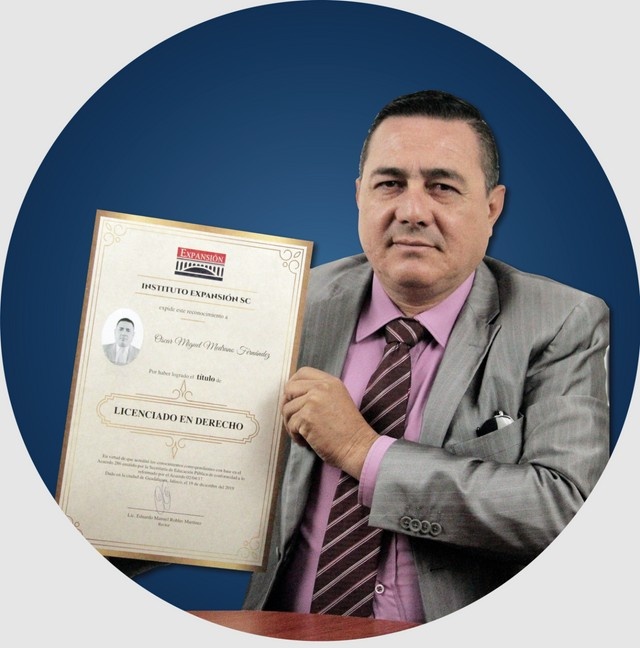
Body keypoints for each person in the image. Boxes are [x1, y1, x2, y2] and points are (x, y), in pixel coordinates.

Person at [242, 90, 609, 624]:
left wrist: (363, 451)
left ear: (492, 208)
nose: (412, 211)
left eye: (442, 187)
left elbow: (565, 508)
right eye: (390, 184)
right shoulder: (288, 301)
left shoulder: (560, 322)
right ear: (359, 196)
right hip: (284, 629)